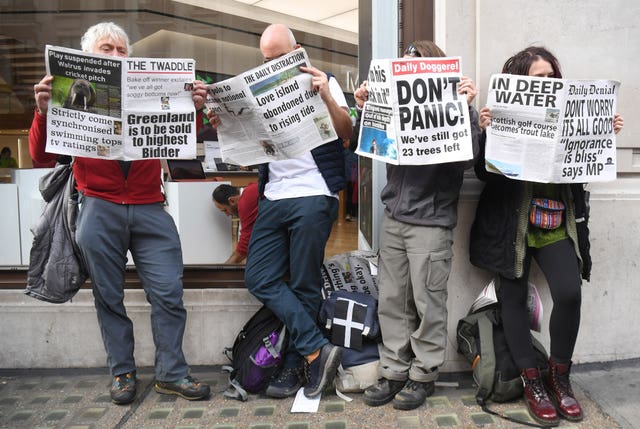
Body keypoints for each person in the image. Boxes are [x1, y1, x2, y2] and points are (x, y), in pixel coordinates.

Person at [30, 22, 210, 405]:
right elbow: (42, 157)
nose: (115, 55)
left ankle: (171, 373)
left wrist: (192, 110)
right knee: (108, 297)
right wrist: (44, 112)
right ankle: (122, 373)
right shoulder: (75, 92)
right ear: (89, 58)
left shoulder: (148, 87)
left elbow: (180, 146)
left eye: (121, 50)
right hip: (99, 206)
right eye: (106, 49)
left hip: (149, 207)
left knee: (168, 293)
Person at [469, 46, 624, 425]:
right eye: (539, 78)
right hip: (512, 226)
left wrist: (601, 133)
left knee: (569, 293)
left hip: (556, 224)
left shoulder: (567, 112)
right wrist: (488, 134)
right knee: (513, 297)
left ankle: (560, 376)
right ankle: (531, 380)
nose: (549, 83)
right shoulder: (502, 115)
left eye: (553, 77)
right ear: (522, 82)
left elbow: (582, 168)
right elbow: (485, 174)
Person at [210, 23, 352, 399]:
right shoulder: (257, 89)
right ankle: (315, 346)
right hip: (273, 195)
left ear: (297, 50)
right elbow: (247, 153)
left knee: (305, 282)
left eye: (280, 57)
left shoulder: (323, 80)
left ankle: (294, 363)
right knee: (258, 276)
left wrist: (325, 97)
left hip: (313, 193)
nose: (273, 64)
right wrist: (228, 127)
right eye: (267, 60)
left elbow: (347, 132)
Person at [354, 40, 481, 410]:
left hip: (431, 219)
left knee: (428, 302)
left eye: (418, 63)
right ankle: (394, 370)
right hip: (394, 215)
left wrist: (467, 109)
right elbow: (368, 146)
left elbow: (470, 160)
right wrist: (365, 109)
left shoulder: (457, 102)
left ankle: (423, 375)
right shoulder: (394, 103)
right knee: (392, 299)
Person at [212, 182, 259, 264]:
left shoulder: (246, 202)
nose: (227, 214)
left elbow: (244, 248)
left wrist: (222, 271)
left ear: (232, 200)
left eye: (225, 210)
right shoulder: (251, 189)